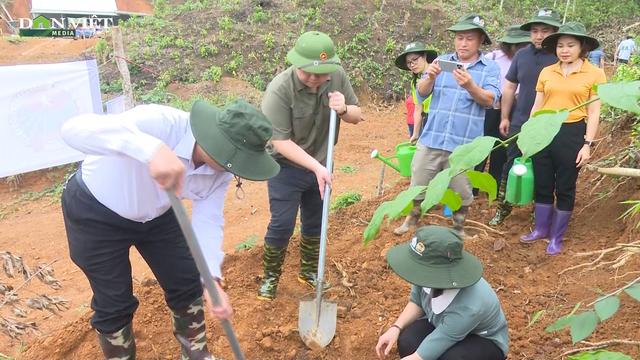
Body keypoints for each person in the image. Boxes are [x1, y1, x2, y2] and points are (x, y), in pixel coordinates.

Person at [60, 100, 280, 359]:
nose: (237, 169)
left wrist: (212, 281)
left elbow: (207, 220)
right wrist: (150, 150)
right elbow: (73, 130)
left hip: (159, 215)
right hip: (96, 212)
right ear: (218, 144)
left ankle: (196, 354)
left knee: (187, 282)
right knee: (114, 303)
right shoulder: (159, 123)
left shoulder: (223, 171)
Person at [257, 31, 363, 301]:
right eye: (308, 73)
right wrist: (316, 167)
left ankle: (308, 271)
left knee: (315, 221)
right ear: (296, 63)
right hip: (285, 167)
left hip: (322, 163)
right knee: (282, 223)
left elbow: (357, 115)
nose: (315, 79)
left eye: (322, 74)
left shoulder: (337, 76)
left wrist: (343, 110)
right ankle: (270, 277)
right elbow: (280, 142)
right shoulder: (279, 90)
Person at [393, 14, 501, 236]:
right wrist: (429, 77)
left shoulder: (489, 68)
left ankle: (458, 227)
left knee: (462, 189)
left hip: (464, 144)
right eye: (459, 38)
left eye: (469, 38)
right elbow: (421, 95)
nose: (463, 43)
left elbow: (490, 100)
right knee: (419, 180)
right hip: (433, 136)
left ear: (481, 40)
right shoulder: (441, 62)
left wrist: (471, 86)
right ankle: (412, 220)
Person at [522, 22, 606, 255]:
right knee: (543, 183)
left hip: (571, 133)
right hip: (544, 131)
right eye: (560, 45)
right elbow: (537, 106)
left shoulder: (595, 73)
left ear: (583, 47)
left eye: (571, 45)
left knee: (565, 187)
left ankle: (556, 238)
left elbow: (594, 111)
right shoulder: (547, 72)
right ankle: (540, 229)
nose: (565, 50)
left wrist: (587, 144)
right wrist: (530, 136)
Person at [376, 226, 509, 360]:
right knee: (408, 342)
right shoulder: (424, 275)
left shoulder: (470, 306)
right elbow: (416, 302)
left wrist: (416, 357)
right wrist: (395, 328)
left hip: (482, 338)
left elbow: (442, 339)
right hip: (443, 324)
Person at [488, 8, 561, 226]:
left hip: (549, 124)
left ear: (555, 31)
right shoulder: (522, 55)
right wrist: (504, 117)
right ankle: (504, 207)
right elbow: (510, 88)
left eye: (545, 31)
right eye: (535, 31)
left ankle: (537, 213)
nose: (539, 36)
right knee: (510, 166)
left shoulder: (560, 56)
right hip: (520, 121)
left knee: (544, 168)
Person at [476, 25, 531, 186]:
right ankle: (474, 185)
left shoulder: (527, 60)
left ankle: (495, 182)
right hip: (491, 108)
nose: (522, 48)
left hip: (514, 108)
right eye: (518, 45)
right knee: (483, 144)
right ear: (508, 45)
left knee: (503, 146)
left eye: (524, 45)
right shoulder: (493, 57)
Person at [394, 42, 438, 141]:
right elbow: (418, 109)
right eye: (409, 63)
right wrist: (415, 133)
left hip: (440, 117)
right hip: (428, 120)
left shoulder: (439, 71)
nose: (412, 65)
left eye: (415, 60)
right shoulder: (415, 82)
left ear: (424, 56)